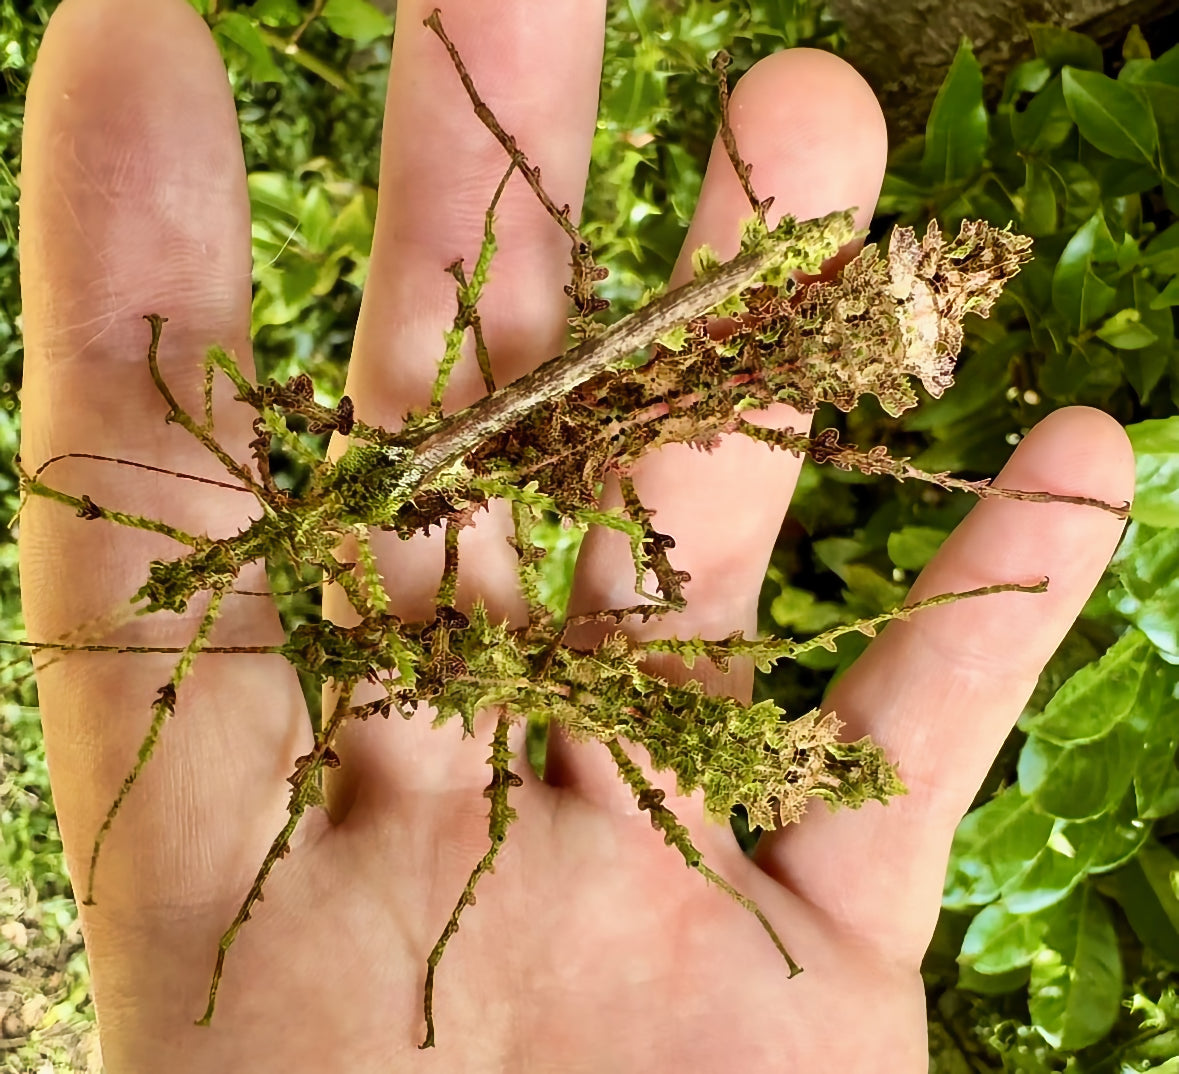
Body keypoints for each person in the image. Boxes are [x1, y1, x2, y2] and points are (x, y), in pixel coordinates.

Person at [17, 0, 1135, 1070]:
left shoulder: (407, 556)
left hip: (663, 369)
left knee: (701, 400)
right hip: (612, 467)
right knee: (691, 477)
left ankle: (845, 344)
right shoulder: (423, 615)